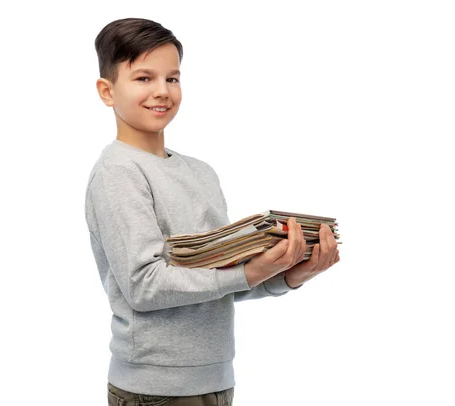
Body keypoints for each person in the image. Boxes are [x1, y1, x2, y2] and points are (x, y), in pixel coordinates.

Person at [84, 17, 340, 406]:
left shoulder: (201, 173)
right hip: (155, 392)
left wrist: (285, 276)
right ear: (107, 91)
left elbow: (217, 285)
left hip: (216, 382)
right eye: (143, 78)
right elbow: (144, 285)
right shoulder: (117, 173)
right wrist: (246, 273)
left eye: (173, 78)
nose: (162, 91)